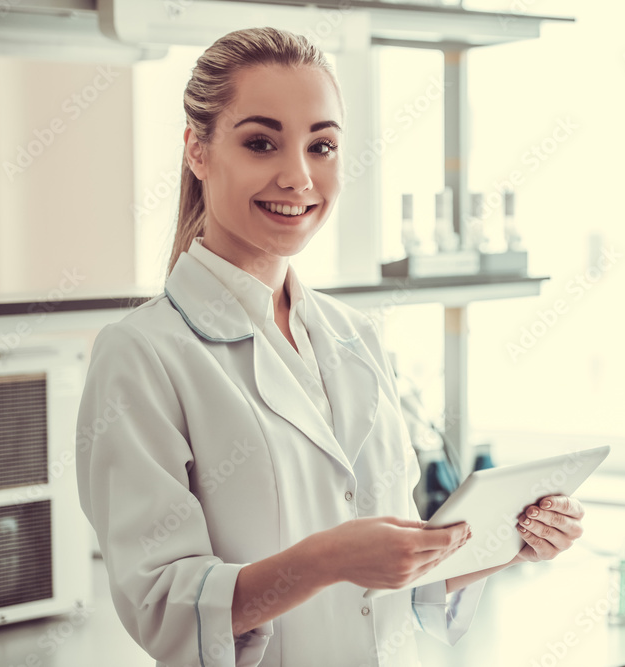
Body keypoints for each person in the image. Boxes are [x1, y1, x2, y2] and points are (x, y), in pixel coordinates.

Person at [74, 26, 586, 667]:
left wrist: (503, 541)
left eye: (323, 146)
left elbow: (393, 593)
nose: (298, 177)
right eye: (261, 142)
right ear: (197, 150)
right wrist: (329, 559)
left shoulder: (354, 335)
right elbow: (164, 604)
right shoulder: (142, 355)